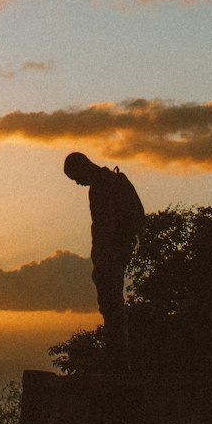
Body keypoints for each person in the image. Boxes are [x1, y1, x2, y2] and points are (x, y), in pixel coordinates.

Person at [64, 151, 145, 371]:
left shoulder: (102, 187)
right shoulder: (111, 181)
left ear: (83, 167)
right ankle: (118, 357)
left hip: (110, 255)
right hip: (114, 253)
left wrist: (104, 258)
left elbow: (105, 227)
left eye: (76, 178)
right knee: (112, 306)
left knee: (112, 307)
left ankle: (118, 360)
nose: (78, 183)